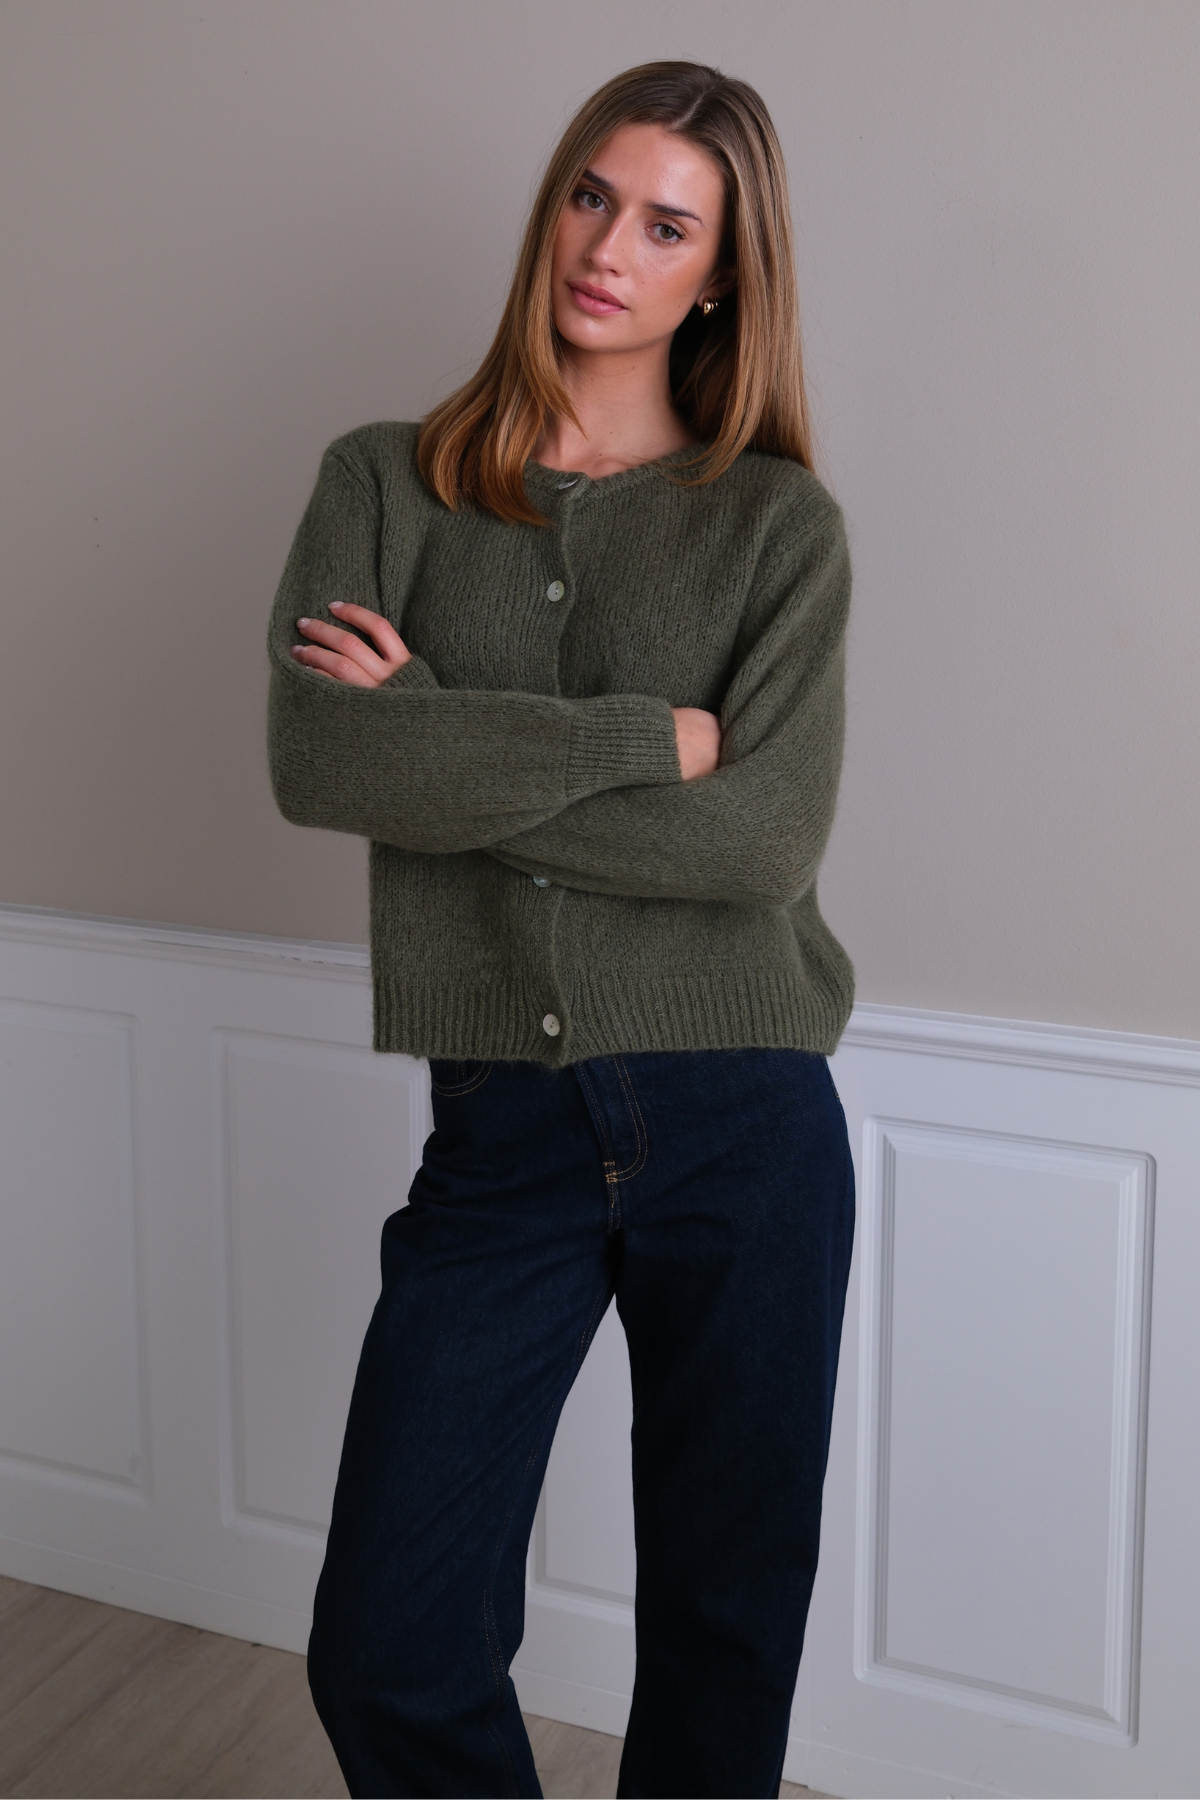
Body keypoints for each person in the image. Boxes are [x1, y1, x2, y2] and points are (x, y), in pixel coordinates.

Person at [268, 59, 855, 1800]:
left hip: (744, 1112)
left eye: (670, 225)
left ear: (723, 276)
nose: (611, 248)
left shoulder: (777, 524)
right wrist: (641, 740)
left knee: (727, 1625)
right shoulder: (386, 480)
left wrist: (440, 741)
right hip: (502, 1129)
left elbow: (764, 838)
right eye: (595, 197)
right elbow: (321, 759)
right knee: (389, 1640)